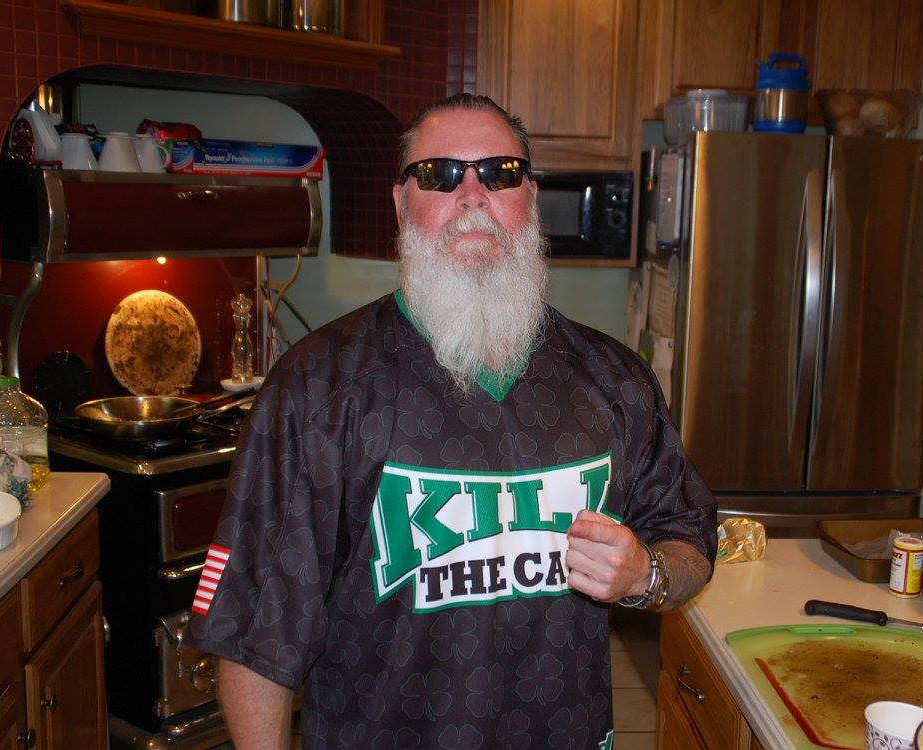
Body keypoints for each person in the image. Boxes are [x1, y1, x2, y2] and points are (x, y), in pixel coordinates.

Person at [185, 93, 718, 750]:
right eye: (438, 175)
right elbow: (254, 637)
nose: (472, 195)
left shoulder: (614, 380)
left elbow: (689, 538)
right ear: (401, 203)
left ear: (530, 198)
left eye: (500, 173)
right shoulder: (316, 389)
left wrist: (645, 576)